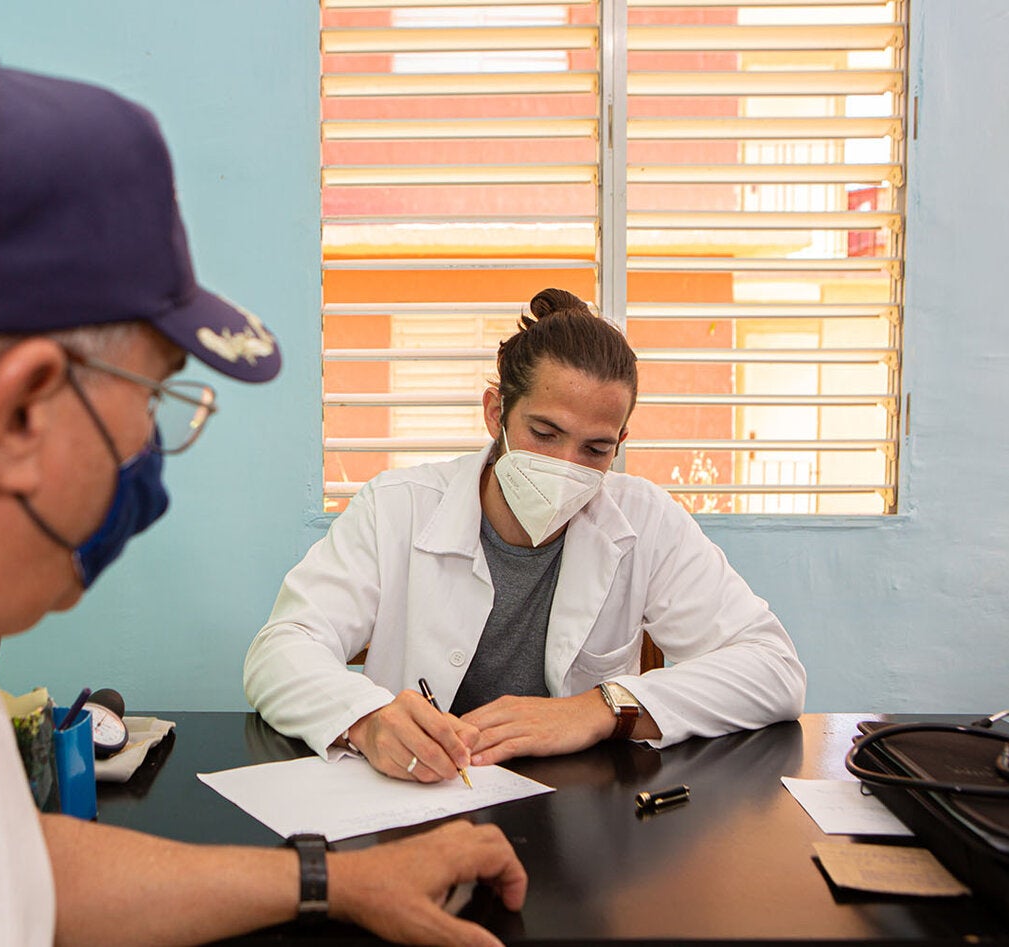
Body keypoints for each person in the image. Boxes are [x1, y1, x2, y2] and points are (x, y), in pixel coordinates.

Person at [0, 53, 526, 947]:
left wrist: (334, 880)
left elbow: (6, 866)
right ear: (18, 413)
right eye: (151, 398)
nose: (150, 448)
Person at [244, 288, 806, 785]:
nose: (567, 465)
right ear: (496, 412)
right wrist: (367, 721)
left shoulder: (647, 521)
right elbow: (280, 650)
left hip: (579, 822)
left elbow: (773, 670)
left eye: (596, 448)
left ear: (621, 441)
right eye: (545, 433)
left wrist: (601, 708)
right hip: (417, 802)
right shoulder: (398, 508)